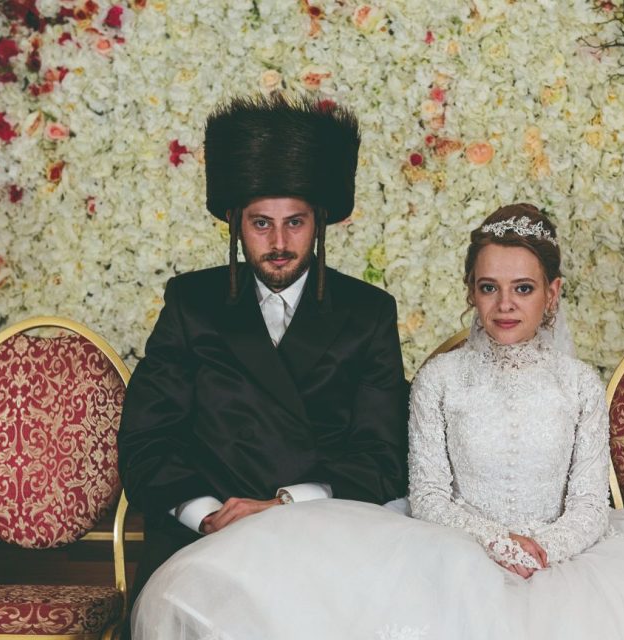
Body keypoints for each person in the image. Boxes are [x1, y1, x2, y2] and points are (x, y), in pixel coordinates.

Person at [131, 204, 624, 639]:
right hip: (453, 551)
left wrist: (541, 549)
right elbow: (427, 493)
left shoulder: (580, 384)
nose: (505, 304)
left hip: (572, 555)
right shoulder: (440, 379)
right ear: (470, 292)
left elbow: (590, 502)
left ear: (553, 294)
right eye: (488, 287)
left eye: (522, 288)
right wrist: (494, 546)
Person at [117, 94, 409, 607]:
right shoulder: (190, 302)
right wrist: (209, 515)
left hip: (325, 534)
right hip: (201, 539)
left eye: (294, 222)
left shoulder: (369, 312)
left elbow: (383, 455)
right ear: (235, 222)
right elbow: (148, 439)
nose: (278, 242)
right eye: (261, 223)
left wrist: (285, 505)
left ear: (319, 221)